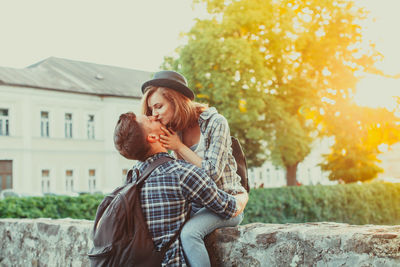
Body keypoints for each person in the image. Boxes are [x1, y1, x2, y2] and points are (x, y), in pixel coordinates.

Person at [113, 112, 248, 266]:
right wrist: (242, 194)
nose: (154, 116)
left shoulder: (133, 176)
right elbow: (228, 208)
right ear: (152, 137)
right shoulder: (181, 173)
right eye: (149, 119)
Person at [141, 70, 247, 267]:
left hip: (225, 203)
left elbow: (212, 173)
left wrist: (179, 147)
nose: (154, 114)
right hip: (195, 205)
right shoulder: (174, 130)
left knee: (189, 234)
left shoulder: (215, 123)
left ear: (176, 100)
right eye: (151, 109)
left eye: (158, 106)